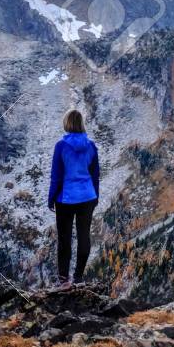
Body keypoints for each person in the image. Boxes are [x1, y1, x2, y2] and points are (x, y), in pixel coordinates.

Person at [47, 109, 100, 285]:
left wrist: (51, 198)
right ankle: (78, 277)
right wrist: (96, 196)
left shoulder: (61, 146)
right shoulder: (91, 146)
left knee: (64, 239)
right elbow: (95, 175)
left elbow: (56, 176)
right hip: (87, 197)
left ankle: (63, 280)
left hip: (66, 199)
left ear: (67, 123)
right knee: (84, 237)